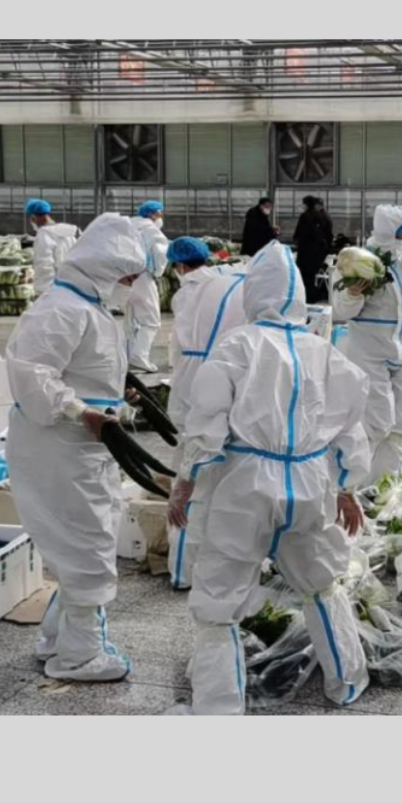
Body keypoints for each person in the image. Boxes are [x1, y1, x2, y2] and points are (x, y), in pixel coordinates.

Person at [168, 241, 372, 714]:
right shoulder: (324, 351)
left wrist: (186, 481)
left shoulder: (237, 345)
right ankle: (347, 681)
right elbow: (350, 428)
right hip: (310, 482)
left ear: (253, 293)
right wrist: (346, 488)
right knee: (321, 584)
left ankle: (218, 708)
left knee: (219, 601)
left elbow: (207, 421)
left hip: (246, 485)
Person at [6, 213, 146, 682]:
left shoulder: (89, 306)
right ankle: (80, 656)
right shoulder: (61, 309)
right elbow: (32, 376)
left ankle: (56, 637)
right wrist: (79, 411)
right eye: (127, 277)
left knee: (81, 541)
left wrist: (117, 394)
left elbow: (83, 369)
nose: (130, 287)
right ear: (106, 269)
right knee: (88, 546)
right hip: (62, 444)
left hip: (82, 446)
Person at [164, 236, 248, 590]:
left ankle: (182, 571)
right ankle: (216, 561)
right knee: (218, 471)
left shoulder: (186, 293)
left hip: (190, 382)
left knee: (189, 471)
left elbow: (176, 348)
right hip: (227, 379)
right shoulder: (231, 285)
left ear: (180, 265)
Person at [332, 204, 402, 479]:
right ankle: (352, 483)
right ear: (385, 232)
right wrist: (353, 294)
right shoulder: (357, 262)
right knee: (376, 422)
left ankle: (386, 479)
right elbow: (341, 311)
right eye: (400, 235)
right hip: (370, 351)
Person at [120, 201, 170, 372]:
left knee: (131, 319)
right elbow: (160, 254)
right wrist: (157, 272)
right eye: (160, 213)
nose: (161, 217)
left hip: (122, 278)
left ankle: (126, 356)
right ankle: (139, 356)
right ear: (152, 214)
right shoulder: (152, 231)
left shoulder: (127, 226)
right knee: (151, 321)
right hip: (142, 277)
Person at [25, 198, 80, 294]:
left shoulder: (44, 235)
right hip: (72, 286)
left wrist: (41, 292)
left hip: (54, 290)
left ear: (34, 217)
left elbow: (44, 266)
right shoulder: (69, 233)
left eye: (31, 218)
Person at [293, 195, 335, 304]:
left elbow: (299, 234)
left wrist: (297, 241)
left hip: (306, 252)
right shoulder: (321, 216)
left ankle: (308, 297)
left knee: (305, 276)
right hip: (317, 253)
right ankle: (313, 296)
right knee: (311, 276)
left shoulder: (306, 216)